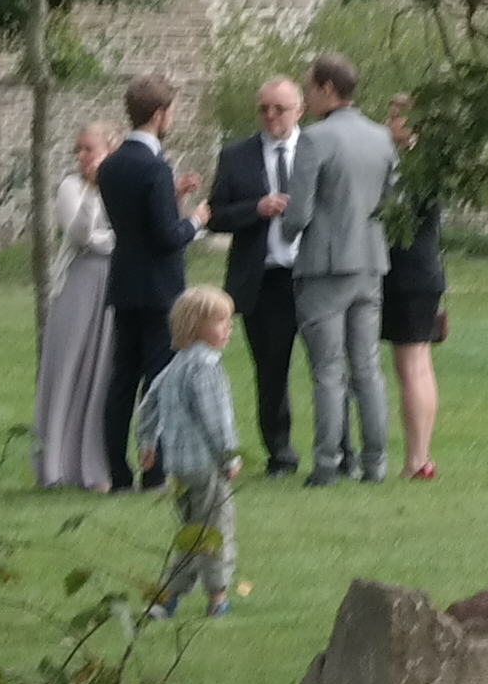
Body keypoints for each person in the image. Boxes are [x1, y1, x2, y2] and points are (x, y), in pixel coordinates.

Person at [283, 53, 396, 485]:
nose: (306, 95)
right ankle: (375, 462)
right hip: (369, 260)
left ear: (328, 89)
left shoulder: (314, 139)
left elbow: (298, 213)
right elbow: (391, 199)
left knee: (328, 370)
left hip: (324, 264)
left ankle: (327, 463)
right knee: (367, 367)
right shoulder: (381, 137)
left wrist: (287, 225)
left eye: (309, 87)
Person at [89, 77, 193, 486]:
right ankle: (155, 471)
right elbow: (167, 235)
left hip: (124, 280)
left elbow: (135, 220)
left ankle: (117, 472)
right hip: (160, 287)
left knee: (122, 380)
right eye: (172, 112)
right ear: (158, 115)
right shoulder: (155, 166)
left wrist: (173, 197)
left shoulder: (111, 164)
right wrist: (196, 221)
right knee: (159, 381)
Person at [128, 287, 244, 620]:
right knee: (215, 531)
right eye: (220, 321)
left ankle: (166, 598)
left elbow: (148, 403)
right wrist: (230, 457)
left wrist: (147, 442)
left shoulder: (176, 364)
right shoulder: (205, 368)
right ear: (195, 326)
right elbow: (216, 419)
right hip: (207, 467)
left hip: (178, 468)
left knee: (191, 532)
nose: (228, 328)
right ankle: (217, 596)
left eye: (228, 321)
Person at [207, 75, 306, 461]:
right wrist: (255, 209)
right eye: (263, 108)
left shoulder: (315, 150)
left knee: (330, 369)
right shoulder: (237, 155)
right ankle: (279, 451)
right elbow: (215, 215)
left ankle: (339, 450)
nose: (270, 116)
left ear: (298, 110)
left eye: (279, 108)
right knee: (270, 369)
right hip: (263, 278)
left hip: (311, 275)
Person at [32, 115, 124, 492]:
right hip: (77, 282)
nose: (83, 156)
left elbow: (130, 231)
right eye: (79, 150)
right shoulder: (71, 187)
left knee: (102, 371)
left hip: (114, 285)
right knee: (66, 365)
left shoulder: (121, 184)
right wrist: (92, 193)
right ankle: (53, 466)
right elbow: (82, 236)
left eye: (91, 149)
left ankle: (94, 466)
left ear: (110, 150)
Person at [376, 94, 454, 479]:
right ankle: (420, 456)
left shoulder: (411, 169)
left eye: (395, 117)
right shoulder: (430, 164)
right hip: (425, 270)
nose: (388, 123)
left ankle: (416, 458)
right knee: (418, 363)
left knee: (411, 366)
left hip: (406, 271)